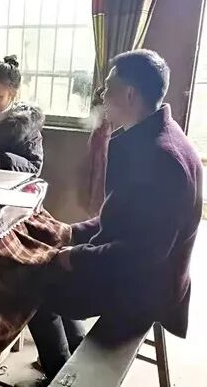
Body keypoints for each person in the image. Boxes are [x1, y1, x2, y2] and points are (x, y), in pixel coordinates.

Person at [25, 50, 203, 384]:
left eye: (109, 87)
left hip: (146, 286)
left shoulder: (162, 159)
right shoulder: (157, 136)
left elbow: (141, 254)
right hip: (148, 270)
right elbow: (124, 222)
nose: (103, 95)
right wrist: (69, 232)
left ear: (130, 94)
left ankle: (61, 374)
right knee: (52, 263)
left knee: (31, 281)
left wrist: (74, 256)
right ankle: (70, 355)